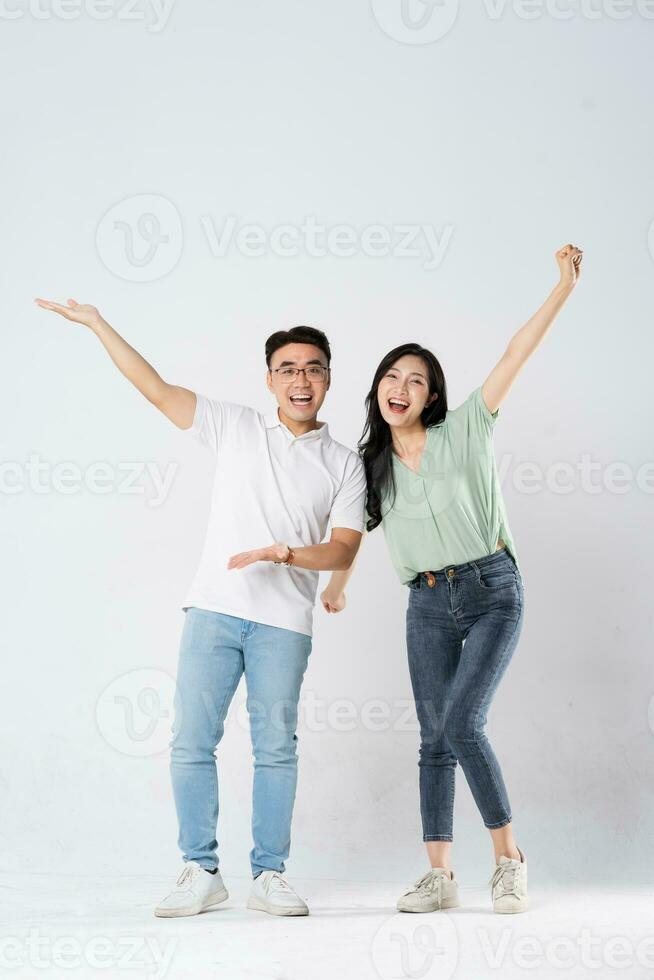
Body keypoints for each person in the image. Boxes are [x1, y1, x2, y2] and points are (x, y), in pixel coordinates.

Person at [33, 299, 367, 918]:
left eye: (313, 368)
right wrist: (100, 323)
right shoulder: (235, 425)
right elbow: (156, 389)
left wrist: (288, 554)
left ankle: (269, 875)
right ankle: (201, 869)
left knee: (275, 749)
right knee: (191, 742)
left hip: (284, 626)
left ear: (327, 380)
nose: (301, 379)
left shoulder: (344, 462)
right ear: (270, 379)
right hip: (213, 610)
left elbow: (344, 546)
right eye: (288, 368)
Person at [321, 244, 583, 914]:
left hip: (493, 589)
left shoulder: (466, 427)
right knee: (434, 733)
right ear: (377, 389)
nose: (399, 388)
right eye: (390, 377)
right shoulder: (370, 465)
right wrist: (339, 582)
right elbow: (356, 529)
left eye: (414, 380)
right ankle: (440, 874)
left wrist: (561, 288)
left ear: (431, 395)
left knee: (464, 721)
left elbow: (514, 353)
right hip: (427, 604)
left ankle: (508, 859)